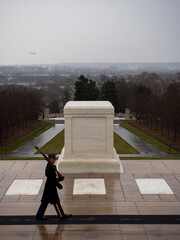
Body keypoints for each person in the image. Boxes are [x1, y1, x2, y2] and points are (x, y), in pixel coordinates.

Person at [36, 154, 72, 220]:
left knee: (45, 201)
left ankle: (39, 215)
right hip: (51, 188)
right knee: (56, 202)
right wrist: (58, 184)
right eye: (53, 159)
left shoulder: (50, 166)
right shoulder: (50, 168)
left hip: (48, 187)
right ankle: (61, 215)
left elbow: (52, 178)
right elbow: (52, 179)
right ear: (49, 159)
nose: (54, 160)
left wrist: (59, 179)